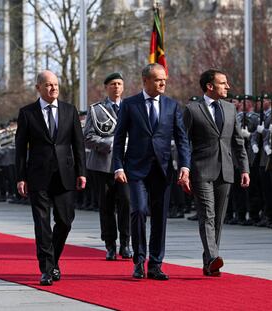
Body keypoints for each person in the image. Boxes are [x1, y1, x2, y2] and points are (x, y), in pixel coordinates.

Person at [113, 63, 190, 280]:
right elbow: (119, 139)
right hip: (135, 170)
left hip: (162, 170)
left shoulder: (172, 106)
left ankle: (155, 264)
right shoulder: (129, 105)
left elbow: (182, 139)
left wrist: (185, 166)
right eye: (158, 79)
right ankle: (139, 260)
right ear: (145, 81)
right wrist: (118, 166)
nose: (163, 83)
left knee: (159, 217)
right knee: (138, 211)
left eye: (164, 78)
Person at [15, 70, 87, 286]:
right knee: (42, 224)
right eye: (48, 85)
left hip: (65, 175)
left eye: (56, 84)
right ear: (38, 88)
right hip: (38, 176)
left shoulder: (69, 110)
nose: (53, 88)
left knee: (65, 221)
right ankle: (46, 269)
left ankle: (53, 259)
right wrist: (21, 177)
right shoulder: (27, 113)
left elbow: (78, 145)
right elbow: (20, 149)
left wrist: (82, 172)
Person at [183, 69, 250, 277]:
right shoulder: (192, 109)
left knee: (219, 217)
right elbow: (183, 142)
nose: (227, 87)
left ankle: (209, 263)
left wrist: (244, 168)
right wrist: (184, 170)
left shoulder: (230, 109)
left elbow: (238, 141)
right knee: (207, 214)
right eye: (223, 83)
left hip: (226, 170)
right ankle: (213, 257)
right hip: (201, 169)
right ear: (210, 86)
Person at [84, 72, 132, 260]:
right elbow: (88, 137)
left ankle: (126, 243)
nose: (117, 87)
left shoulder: (131, 107)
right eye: (113, 84)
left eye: (119, 83)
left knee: (126, 204)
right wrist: (109, 143)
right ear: (106, 87)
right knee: (106, 206)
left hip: (127, 166)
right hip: (103, 165)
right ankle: (110, 244)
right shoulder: (96, 109)